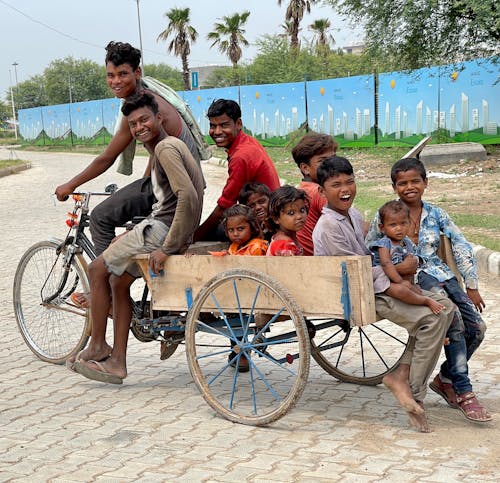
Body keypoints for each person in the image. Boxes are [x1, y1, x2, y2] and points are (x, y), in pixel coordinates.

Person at [312, 156, 455, 432]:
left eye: (350, 182)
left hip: (375, 284)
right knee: (432, 319)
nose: (345, 189)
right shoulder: (329, 226)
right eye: (335, 184)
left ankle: (400, 374)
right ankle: (414, 395)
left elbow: (372, 254)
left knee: (446, 308)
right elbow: (359, 271)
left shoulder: (352, 215)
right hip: (358, 293)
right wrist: (401, 271)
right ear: (321, 191)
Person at [71, 92, 204, 384]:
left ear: (160, 118)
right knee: (118, 282)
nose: (139, 127)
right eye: (132, 124)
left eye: (144, 119)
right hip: (165, 226)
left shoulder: (166, 150)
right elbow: (190, 192)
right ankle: (117, 363)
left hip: (161, 230)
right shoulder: (173, 146)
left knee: (96, 269)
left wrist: (169, 245)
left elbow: (189, 196)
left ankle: (98, 344)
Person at [366, 157, 491, 423]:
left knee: (477, 328)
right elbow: (372, 253)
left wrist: (471, 284)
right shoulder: (385, 214)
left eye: (415, 181)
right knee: (453, 320)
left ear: (425, 183)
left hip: (442, 276)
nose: (409, 187)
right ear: (394, 187)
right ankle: (464, 390)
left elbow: (460, 245)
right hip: (415, 282)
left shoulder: (436, 214)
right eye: (402, 183)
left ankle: (445, 378)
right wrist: (398, 272)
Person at [55, 41, 205, 259]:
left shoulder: (140, 108)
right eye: (110, 75)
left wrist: (70, 185)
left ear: (137, 73)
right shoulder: (148, 99)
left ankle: (105, 278)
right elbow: (158, 153)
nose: (115, 81)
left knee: (99, 217)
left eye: (122, 74)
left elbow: (106, 158)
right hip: (176, 180)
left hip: (175, 188)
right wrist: (141, 186)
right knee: (129, 205)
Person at [194, 99, 281, 241]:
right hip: (269, 213)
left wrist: (195, 237)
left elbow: (225, 205)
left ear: (238, 124)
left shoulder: (241, 156)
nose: (217, 132)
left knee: (218, 232)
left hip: (266, 222)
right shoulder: (247, 141)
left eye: (224, 125)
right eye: (213, 126)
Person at [370, 200, 446, 314]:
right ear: (382, 228)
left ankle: (420, 299)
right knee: (401, 290)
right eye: (393, 225)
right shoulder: (384, 243)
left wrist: (411, 283)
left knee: (415, 289)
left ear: (409, 223)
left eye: (403, 223)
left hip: (398, 277)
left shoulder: (406, 242)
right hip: (383, 277)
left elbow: (410, 262)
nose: (399, 228)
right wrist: (400, 281)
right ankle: (426, 301)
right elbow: (386, 264)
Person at [292, 132, 338, 255]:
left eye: (333, 159)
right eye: (323, 161)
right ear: (305, 168)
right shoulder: (318, 192)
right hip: (320, 260)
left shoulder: (303, 188)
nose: (331, 165)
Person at [266, 185, 308, 256]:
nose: (299, 216)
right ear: (276, 219)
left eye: (302, 210)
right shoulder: (284, 244)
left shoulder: (287, 237)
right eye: (291, 213)